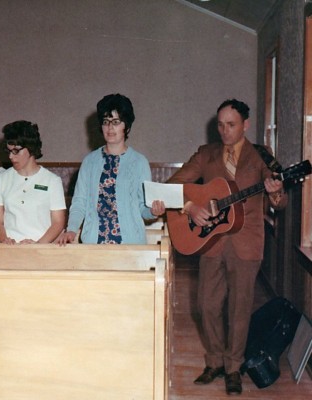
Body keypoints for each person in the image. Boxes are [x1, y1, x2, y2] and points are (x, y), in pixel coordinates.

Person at [167, 99, 287, 395]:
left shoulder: (261, 156)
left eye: (231, 125)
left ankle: (233, 366)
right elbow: (173, 185)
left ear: (245, 124)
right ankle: (214, 361)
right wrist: (191, 206)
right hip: (211, 239)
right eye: (220, 125)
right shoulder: (206, 154)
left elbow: (281, 203)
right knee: (206, 305)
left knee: (239, 307)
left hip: (247, 242)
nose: (224, 131)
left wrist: (276, 192)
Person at [58, 93, 165, 245]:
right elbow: (79, 202)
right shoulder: (89, 162)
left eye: (116, 121)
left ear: (126, 127)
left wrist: (153, 212)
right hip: (94, 242)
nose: (110, 127)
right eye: (106, 122)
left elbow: (143, 207)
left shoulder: (139, 162)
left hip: (130, 244)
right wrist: (71, 229)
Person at [0, 120, 66, 244]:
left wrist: (37, 246)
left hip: (41, 249)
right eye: (9, 151)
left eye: (16, 151)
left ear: (31, 148)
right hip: (10, 250)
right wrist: (5, 240)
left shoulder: (52, 181)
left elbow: (58, 222)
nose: (10, 157)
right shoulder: (1, 179)